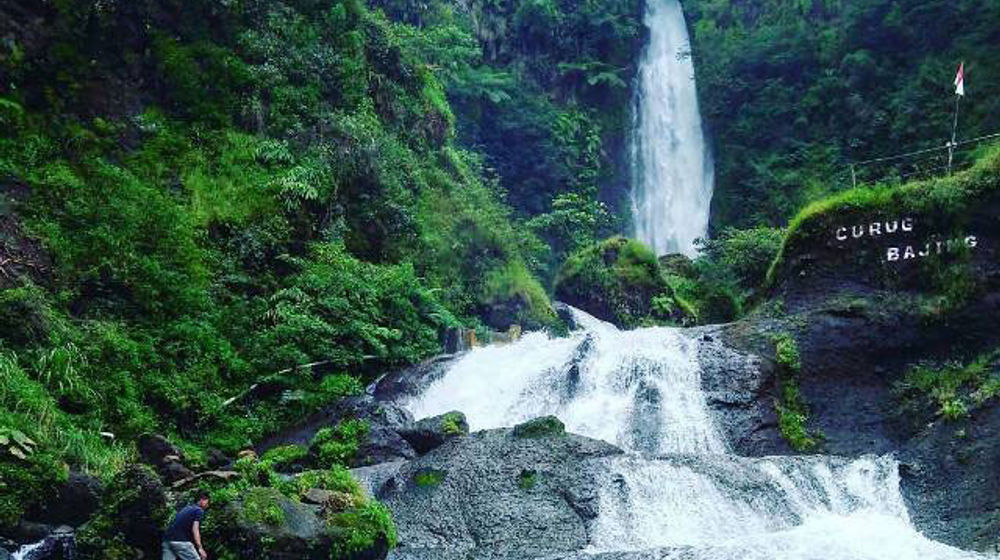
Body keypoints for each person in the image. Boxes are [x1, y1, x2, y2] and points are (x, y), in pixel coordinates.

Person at [162, 493, 210, 560]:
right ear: (202, 500)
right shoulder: (198, 510)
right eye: (207, 502)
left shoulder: (186, 508)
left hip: (167, 540)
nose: (207, 505)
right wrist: (200, 548)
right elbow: (195, 529)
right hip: (180, 541)